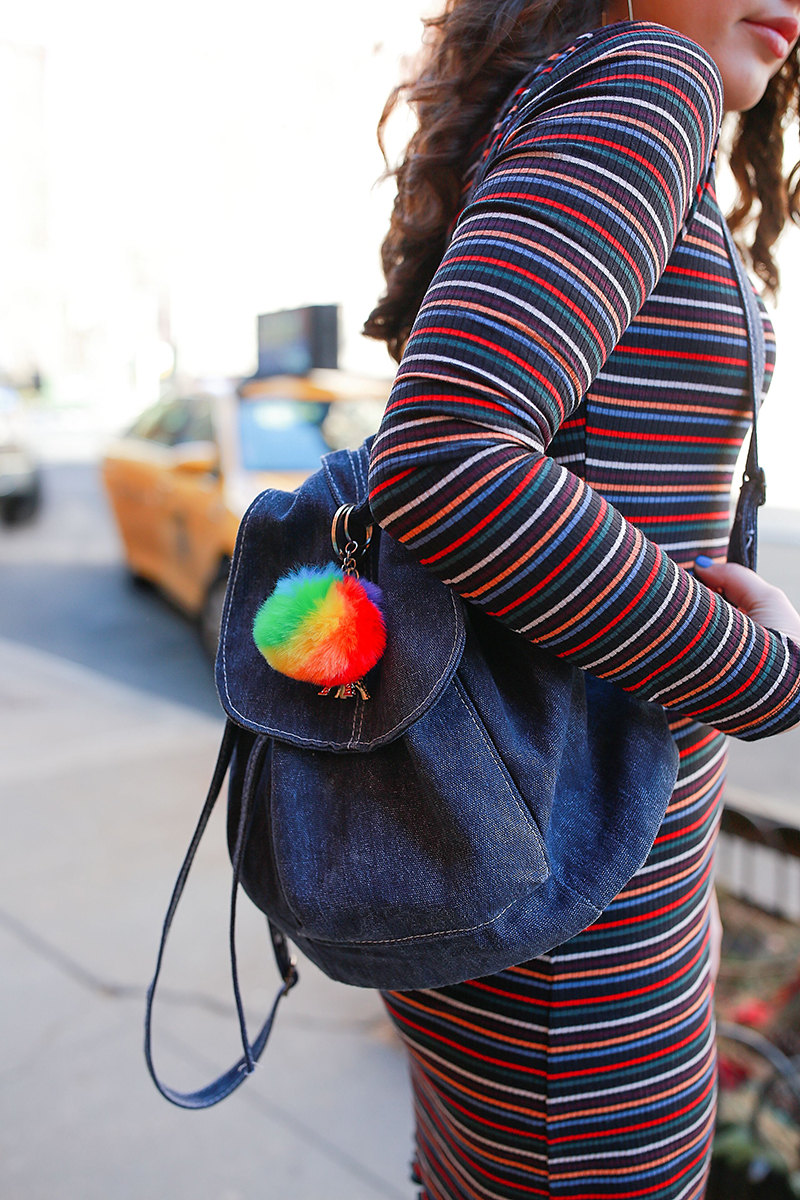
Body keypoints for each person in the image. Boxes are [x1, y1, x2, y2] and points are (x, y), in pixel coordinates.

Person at [364, 1, 800, 1196]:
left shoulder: (562, 91)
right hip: (583, 952)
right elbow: (445, 455)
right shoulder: (646, 81)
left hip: (526, 879)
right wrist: (754, 671)